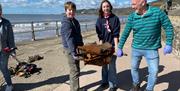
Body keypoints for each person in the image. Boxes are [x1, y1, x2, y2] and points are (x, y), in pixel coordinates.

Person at [117, 0, 174, 91]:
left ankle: (149, 89)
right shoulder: (132, 17)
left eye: (134, 4)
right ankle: (136, 84)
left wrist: (169, 43)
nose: (132, 7)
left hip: (152, 49)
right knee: (134, 68)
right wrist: (120, 47)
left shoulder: (157, 13)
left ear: (143, 3)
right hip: (136, 49)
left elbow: (168, 27)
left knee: (154, 71)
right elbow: (125, 33)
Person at [96, 0, 120, 91]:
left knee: (112, 66)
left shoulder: (115, 18)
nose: (106, 8)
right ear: (101, 9)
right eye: (104, 7)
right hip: (104, 46)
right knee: (104, 65)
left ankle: (113, 85)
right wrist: (100, 48)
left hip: (112, 46)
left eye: (107, 6)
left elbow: (116, 35)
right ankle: (104, 81)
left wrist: (117, 47)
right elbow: (100, 35)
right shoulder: (99, 20)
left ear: (110, 7)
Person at [60, 1, 84, 91]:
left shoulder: (74, 21)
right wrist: (73, 53)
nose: (71, 12)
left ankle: (76, 88)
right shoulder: (66, 23)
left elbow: (78, 35)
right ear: (66, 11)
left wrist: (82, 46)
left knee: (76, 70)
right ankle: (75, 89)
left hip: (76, 48)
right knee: (74, 71)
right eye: (69, 10)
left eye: (73, 10)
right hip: (70, 50)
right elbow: (69, 39)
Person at [0, 4, 16, 91]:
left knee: (3, 68)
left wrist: (13, 50)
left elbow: (11, 38)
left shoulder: (6, 23)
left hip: (4, 51)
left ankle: (9, 85)